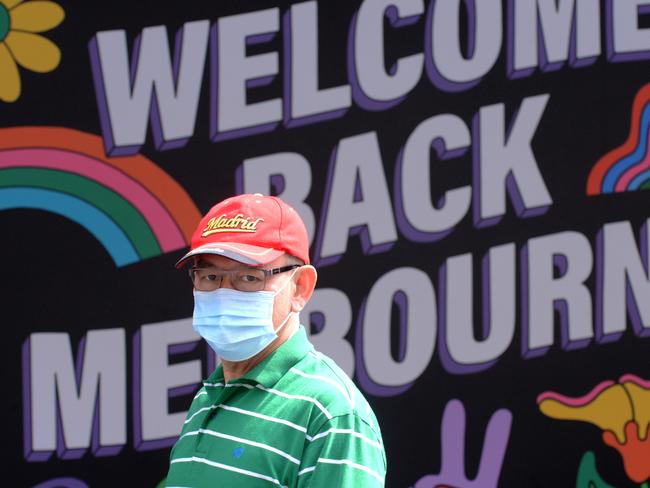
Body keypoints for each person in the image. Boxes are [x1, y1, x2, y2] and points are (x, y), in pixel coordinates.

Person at [165, 193, 387, 487]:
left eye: (249, 277)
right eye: (209, 276)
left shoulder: (332, 414)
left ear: (300, 288)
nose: (224, 293)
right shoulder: (207, 399)